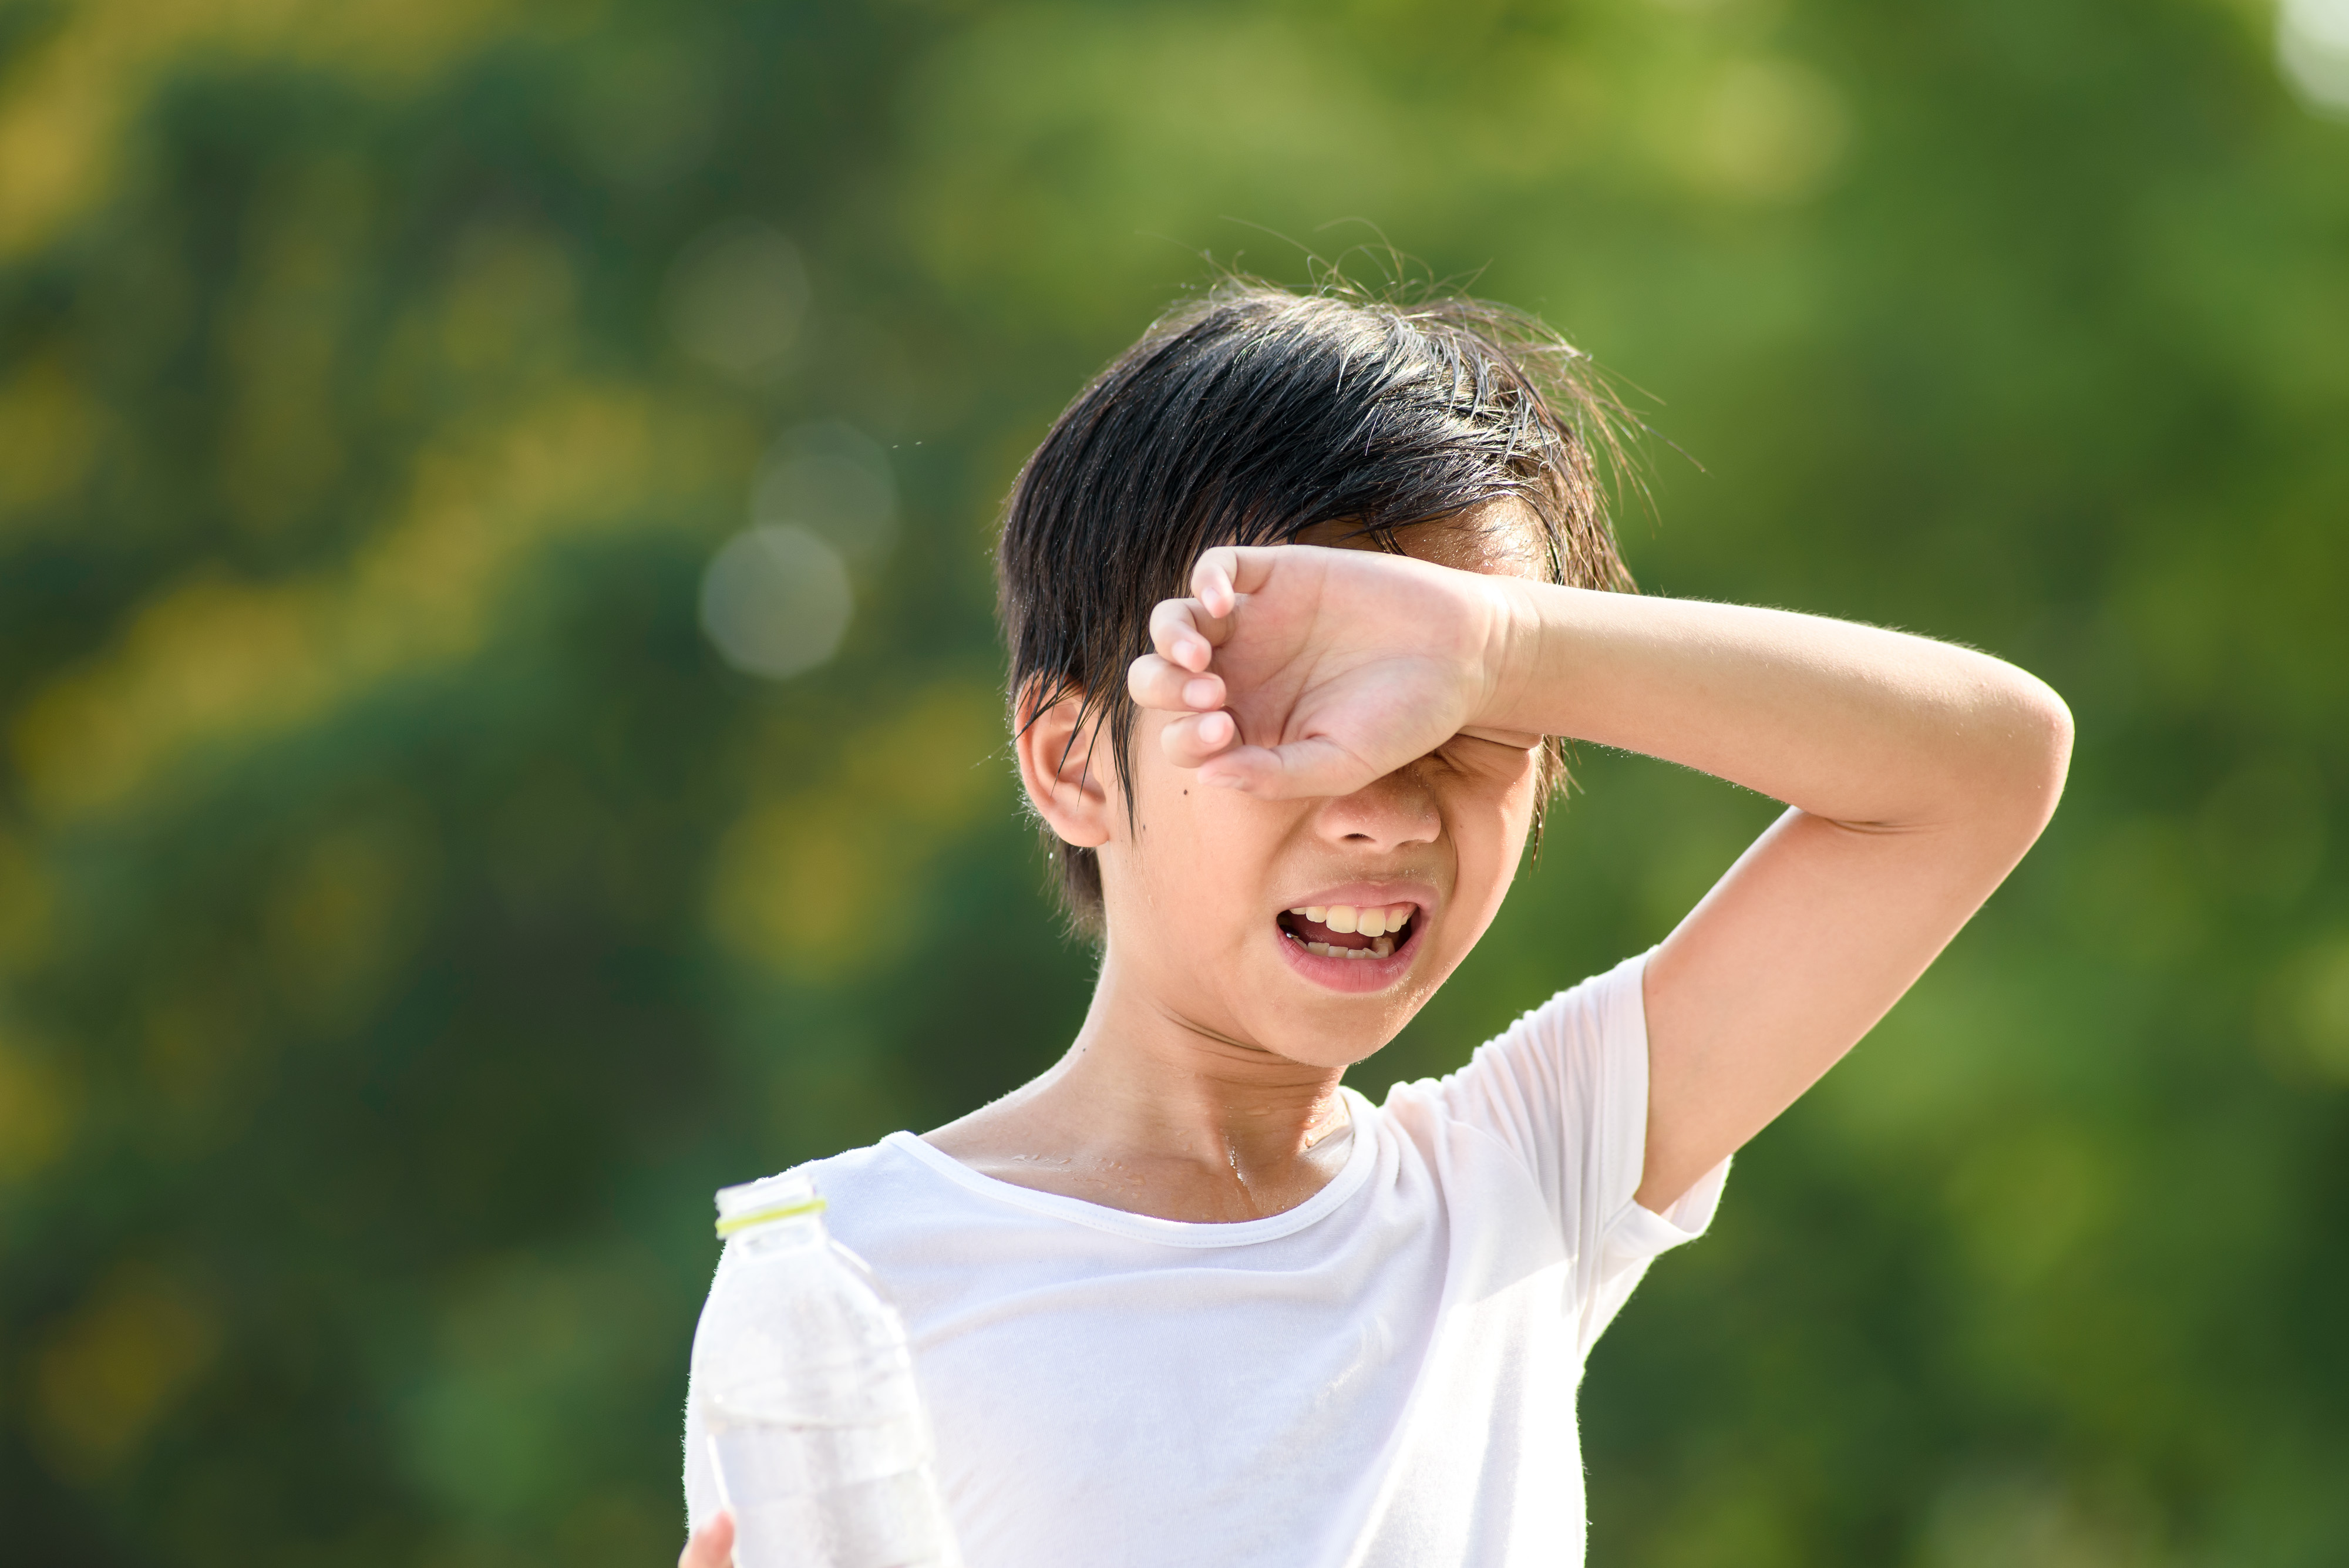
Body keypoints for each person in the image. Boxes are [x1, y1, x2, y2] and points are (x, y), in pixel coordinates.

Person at [677, 282, 2072, 1568]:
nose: (1388, 810)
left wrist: (1504, 642)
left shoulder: (1513, 1186)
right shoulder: (848, 1267)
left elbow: (1980, 771)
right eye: (1286, 715)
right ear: (1070, 762)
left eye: (1467, 727)